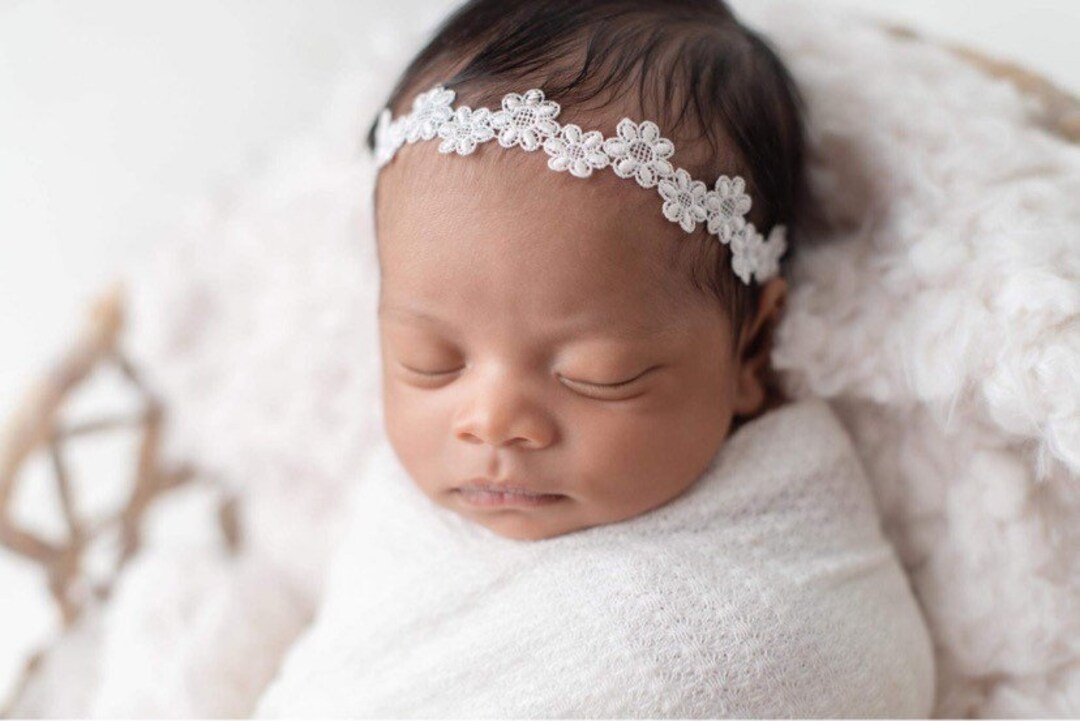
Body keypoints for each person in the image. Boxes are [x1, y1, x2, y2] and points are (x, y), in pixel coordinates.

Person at [255, 1, 937, 716]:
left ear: (752, 347)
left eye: (595, 376)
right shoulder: (398, 524)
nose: (492, 422)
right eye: (430, 361)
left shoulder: (777, 605)